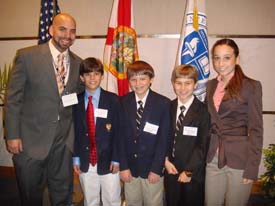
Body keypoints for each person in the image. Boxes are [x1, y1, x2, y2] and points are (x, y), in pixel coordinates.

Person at [5, 13, 82, 206]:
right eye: (62, 29)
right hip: (30, 141)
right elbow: (13, 99)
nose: (68, 35)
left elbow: (76, 96)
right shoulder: (27, 56)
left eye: (72, 31)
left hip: (63, 144)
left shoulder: (78, 63)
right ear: (51, 30)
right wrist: (12, 135)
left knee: (63, 193)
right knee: (30, 195)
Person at [205, 38, 263, 206]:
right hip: (213, 157)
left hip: (240, 159)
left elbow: (256, 130)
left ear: (237, 59)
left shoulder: (251, 86)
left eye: (226, 57)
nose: (220, 63)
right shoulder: (210, 86)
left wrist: (252, 168)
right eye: (216, 58)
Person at [119, 60, 170, 206]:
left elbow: (163, 140)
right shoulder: (122, 102)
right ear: (129, 81)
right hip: (130, 169)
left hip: (152, 169)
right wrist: (123, 166)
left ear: (151, 80)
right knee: (132, 202)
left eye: (142, 78)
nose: (138, 83)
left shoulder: (163, 104)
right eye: (133, 79)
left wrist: (156, 168)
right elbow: (120, 138)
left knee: (153, 202)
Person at [72, 57, 121, 206]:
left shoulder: (114, 100)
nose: (92, 78)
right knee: (90, 199)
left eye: (96, 73)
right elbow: (72, 132)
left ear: (101, 76)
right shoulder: (75, 101)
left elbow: (119, 133)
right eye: (88, 74)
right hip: (85, 160)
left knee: (111, 199)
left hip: (109, 160)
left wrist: (117, 159)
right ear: (82, 77)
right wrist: (76, 158)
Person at [164, 64, 210, 206]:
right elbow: (163, 138)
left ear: (195, 84)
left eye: (187, 83)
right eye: (179, 83)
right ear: (173, 84)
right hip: (170, 169)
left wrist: (189, 171)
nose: (182, 88)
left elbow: (202, 146)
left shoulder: (203, 111)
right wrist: (165, 160)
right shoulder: (168, 107)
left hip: (192, 173)